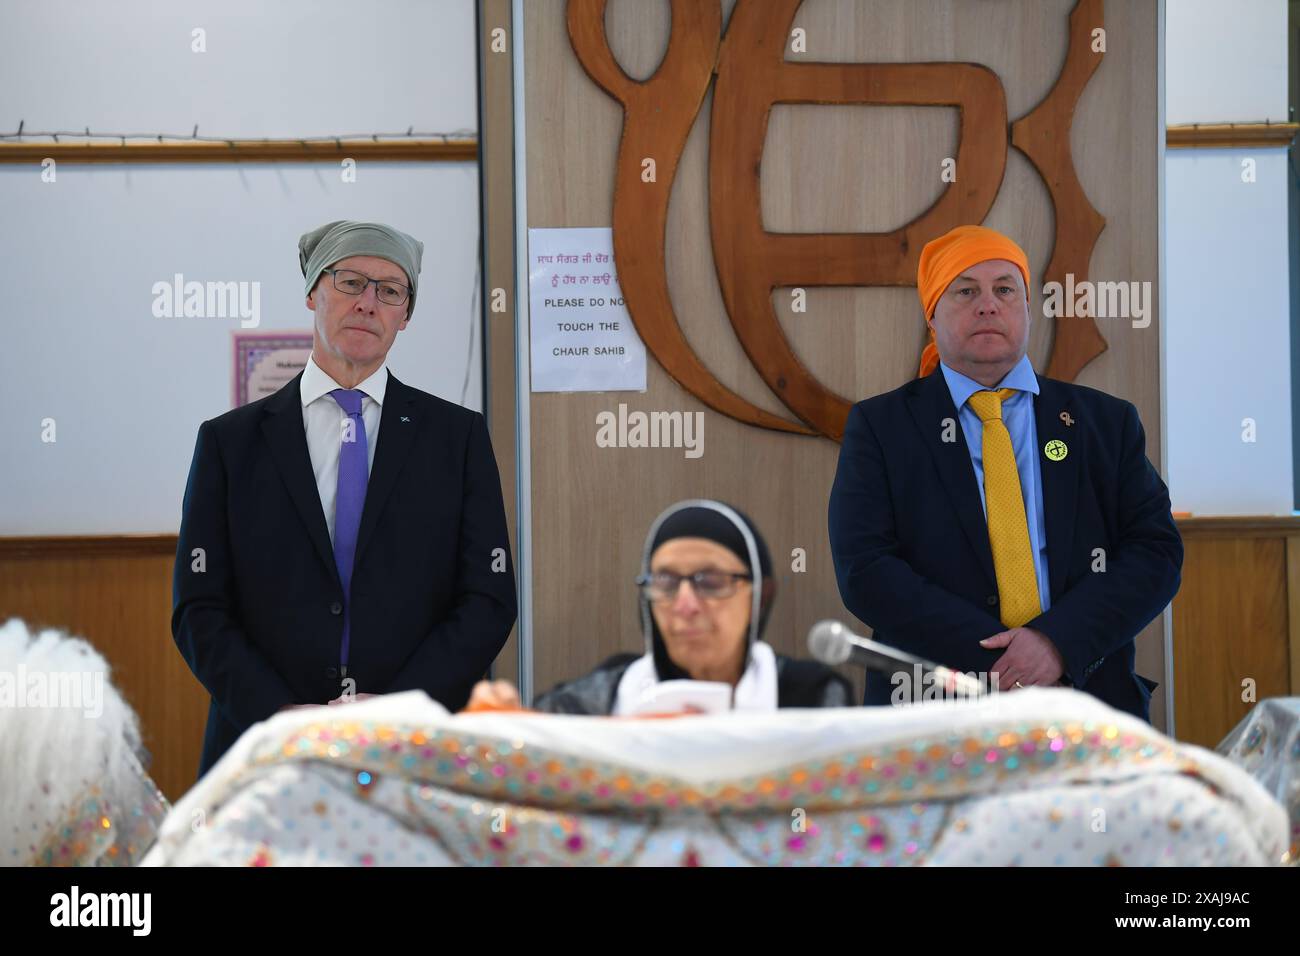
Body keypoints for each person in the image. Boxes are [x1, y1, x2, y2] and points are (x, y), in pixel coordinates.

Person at [173, 220, 517, 777]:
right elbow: (199, 607)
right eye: (351, 282)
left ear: (405, 315)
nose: (369, 303)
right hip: (265, 749)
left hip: (413, 749)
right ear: (313, 291)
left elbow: (487, 598)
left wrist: (400, 710)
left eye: (390, 291)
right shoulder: (230, 443)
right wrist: (281, 714)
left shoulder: (457, 439)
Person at [828, 224, 1181, 720]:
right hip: (932, 710)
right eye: (966, 290)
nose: (988, 305)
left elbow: (1155, 551)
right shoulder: (882, 427)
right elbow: (865, 570)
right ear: (932, 317)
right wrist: (1006, 661)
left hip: (1086, 698)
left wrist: (1057, 644)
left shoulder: (1105, 421)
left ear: (1028, 310)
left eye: (1004, 289)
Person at [471, 499, 851, 714]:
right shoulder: (599, 698)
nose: (685, 605)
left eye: (711, 582)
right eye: (665, 583)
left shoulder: (810, 696)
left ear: (760, 596)